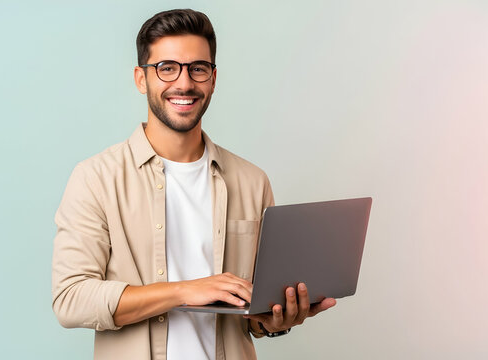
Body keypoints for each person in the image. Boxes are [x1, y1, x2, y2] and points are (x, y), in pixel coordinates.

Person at [52, 9, 336, 360]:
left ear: (213, 79)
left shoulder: (252, 181)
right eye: (167, 68)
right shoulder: (96, 178)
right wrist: (185, 290)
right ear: (141, 79)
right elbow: (71, 299)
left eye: (197, 69)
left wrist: (275, 320)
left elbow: (251, 317)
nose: (184, 83)